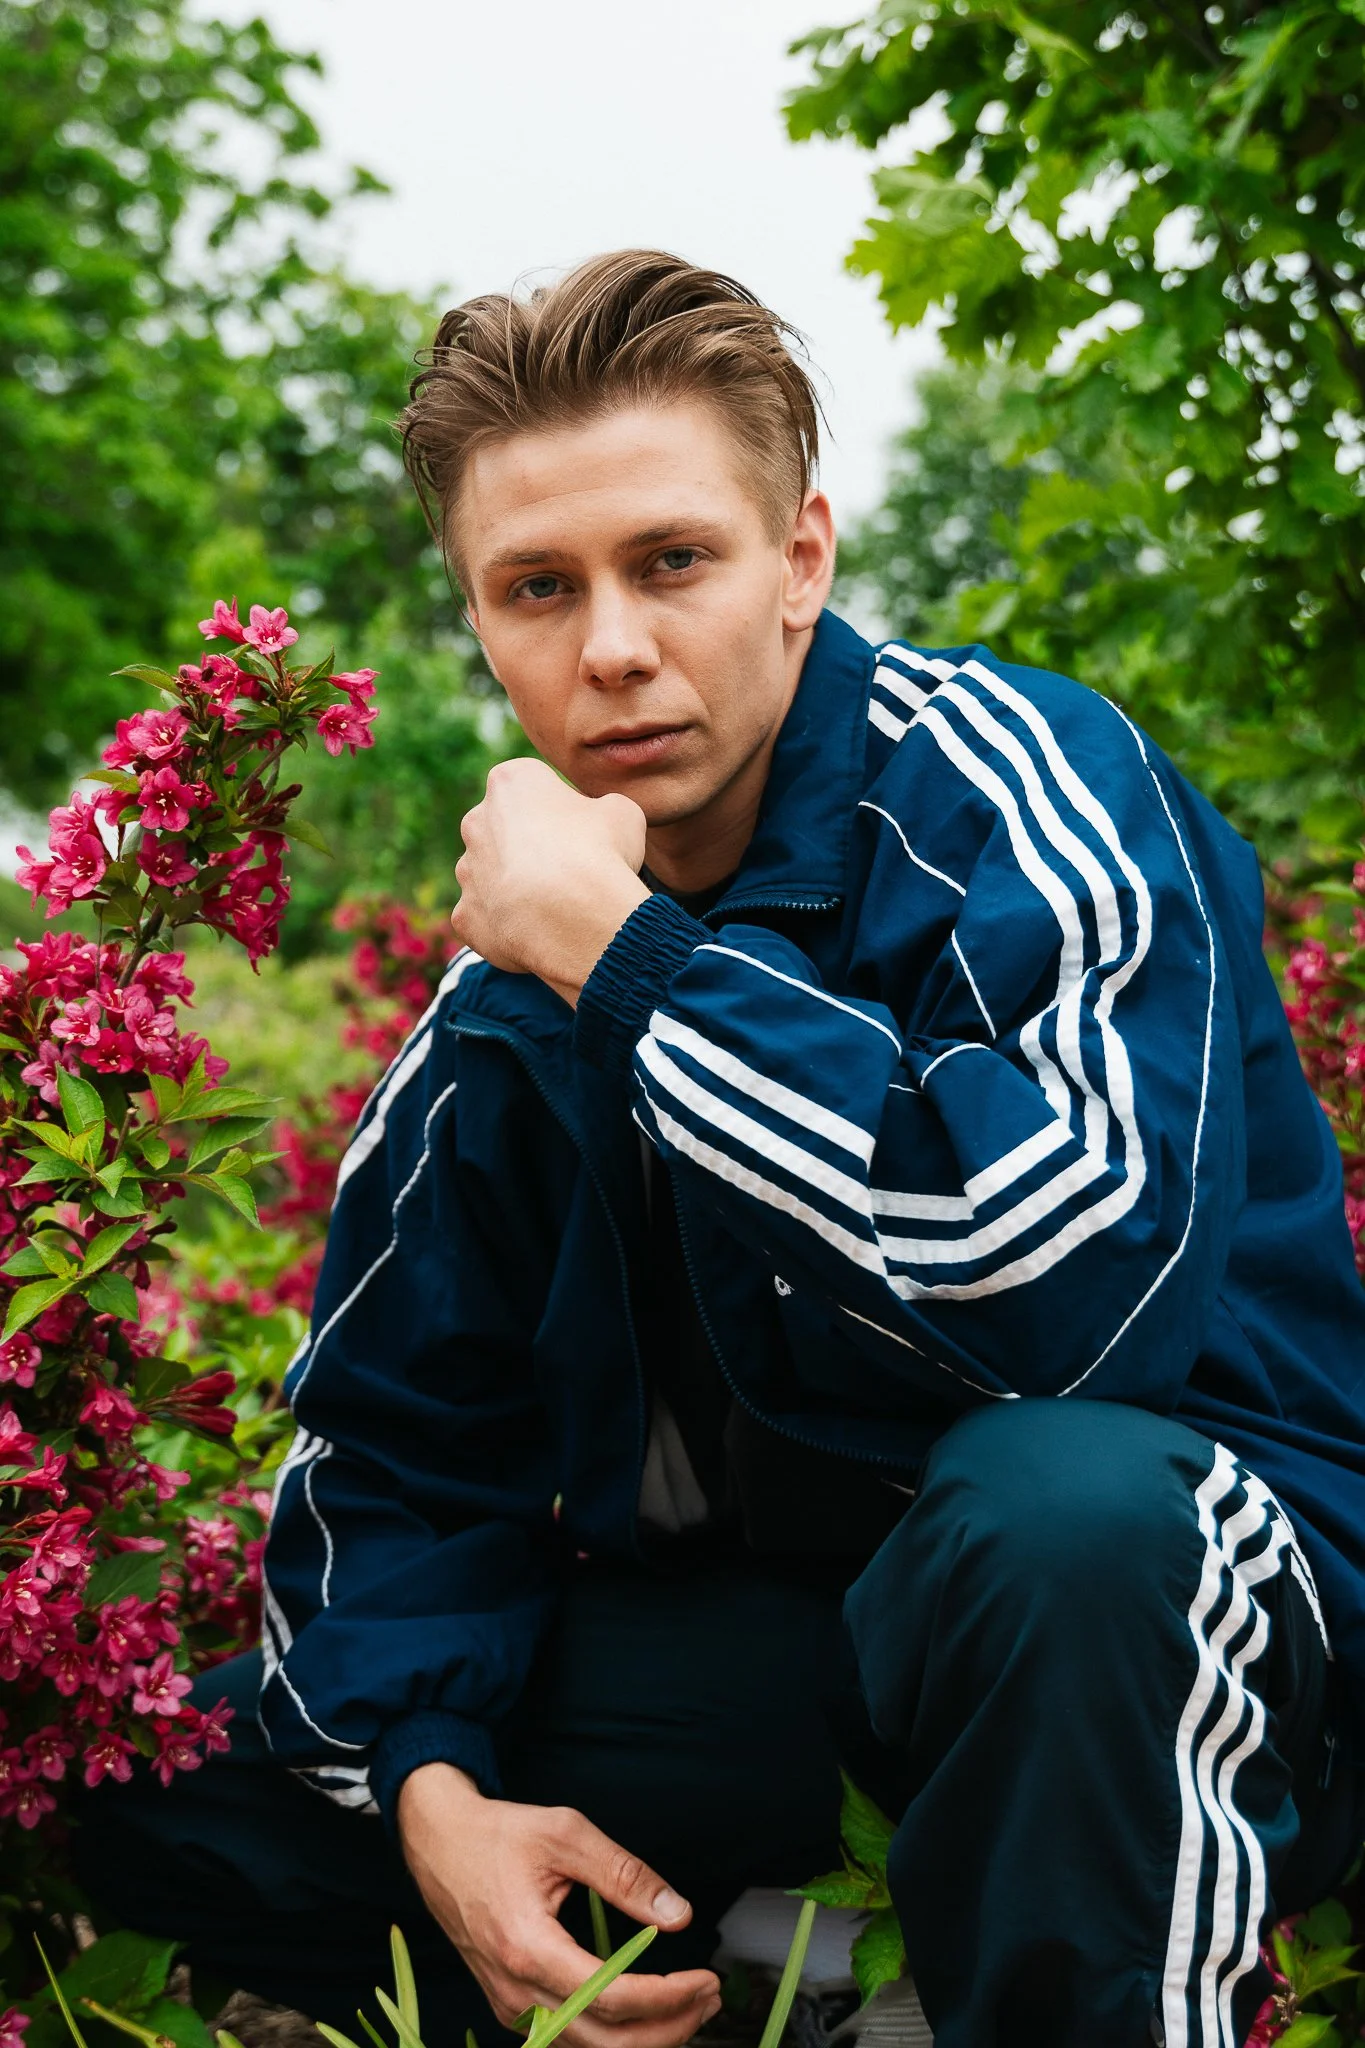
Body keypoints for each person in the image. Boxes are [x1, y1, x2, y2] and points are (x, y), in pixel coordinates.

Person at [77, 250, 1365, 2048]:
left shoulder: (1028, 794)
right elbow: (398, 1450)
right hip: (801, 1656)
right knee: (155, 1777)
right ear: (481, 625)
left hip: (1186, 1610)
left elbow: (1077, 1304)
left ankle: (1032, 1966)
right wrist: (437, 1798)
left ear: (803, 561)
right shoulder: (504, 1010)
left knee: (1061, 1514)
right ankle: (792, 1965)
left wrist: (630, 966)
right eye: (538, 588)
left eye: (671, 561)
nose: (611, 646)